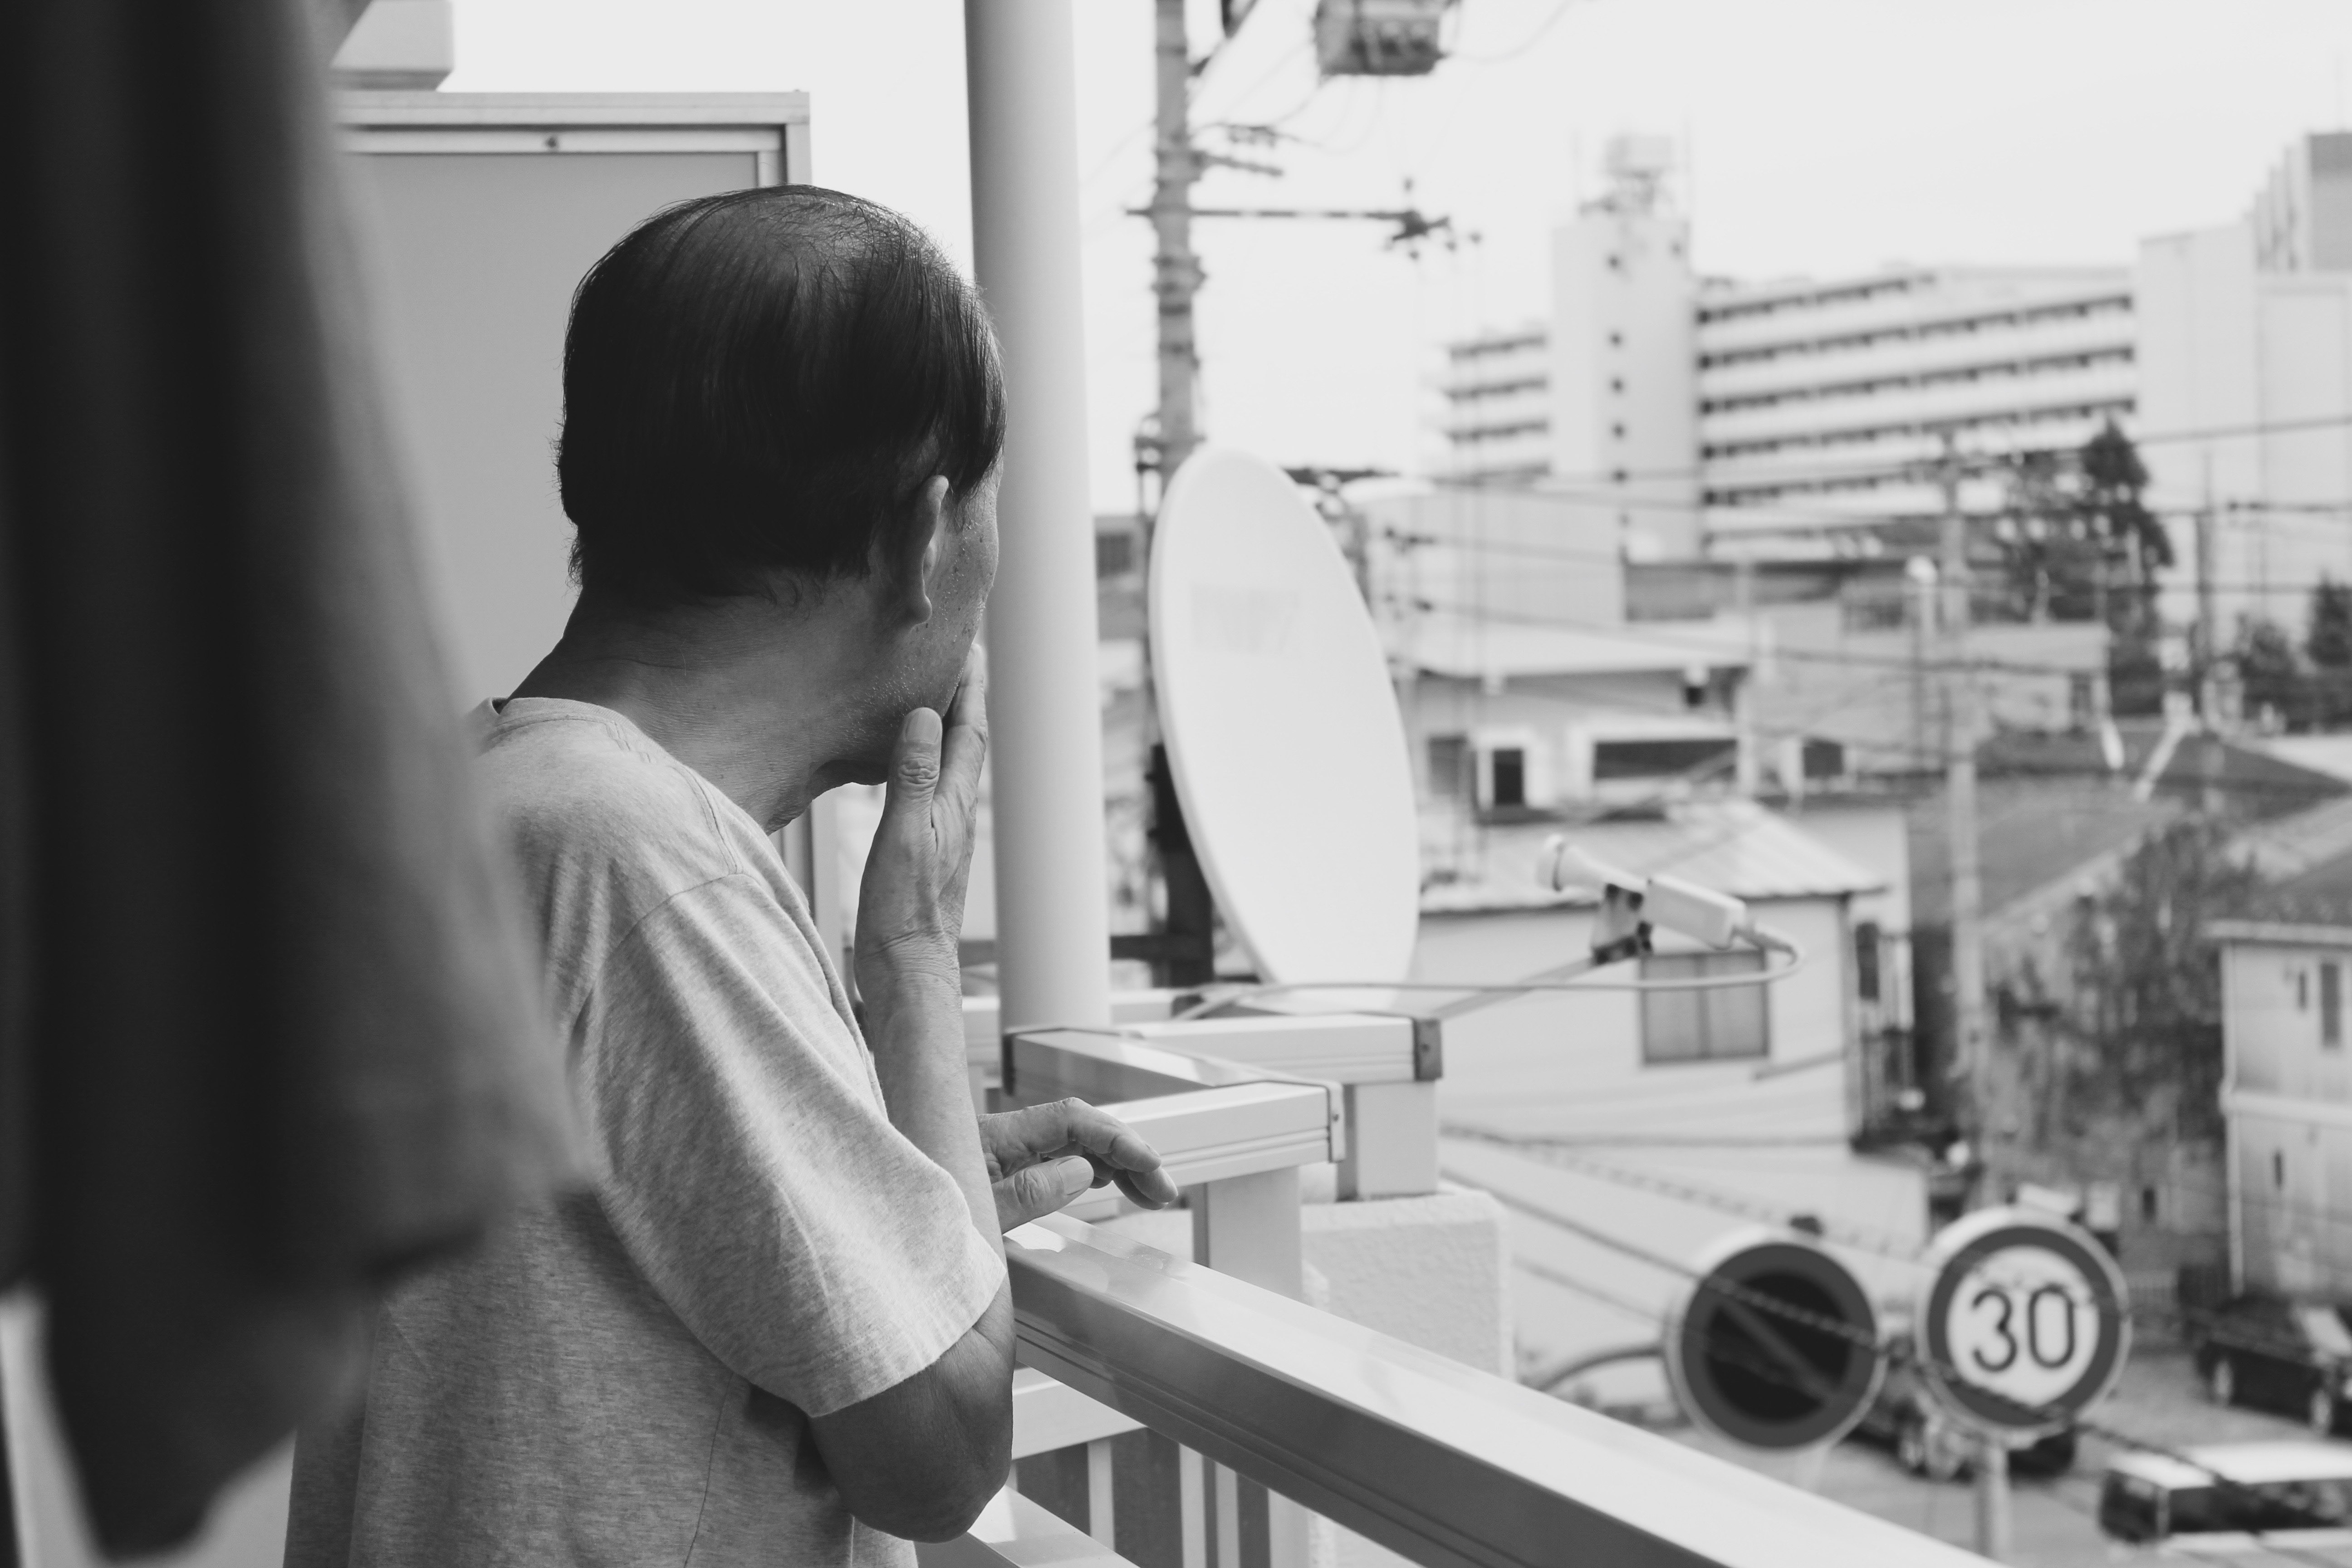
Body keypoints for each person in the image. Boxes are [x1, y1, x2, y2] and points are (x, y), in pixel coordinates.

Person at [285, 186, 1178, 1567]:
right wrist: (914, 958)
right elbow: (941, 1454)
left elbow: (614, 1268)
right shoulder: (644, 873)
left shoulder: (480, 797)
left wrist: (896, 1196)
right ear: (925, 535)